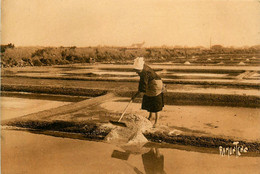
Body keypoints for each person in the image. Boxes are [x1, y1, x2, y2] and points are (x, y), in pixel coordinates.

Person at [131, 57, 165, 127]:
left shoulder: (144, 73)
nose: (136, 72)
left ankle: (156, 122)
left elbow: (142, 86)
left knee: (156, 102)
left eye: (137, 70)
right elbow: (143, 85)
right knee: (149, 98)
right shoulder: (143, 68)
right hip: (150, 83)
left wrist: (135, 95)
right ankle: (150, 117)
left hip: (156, 85)